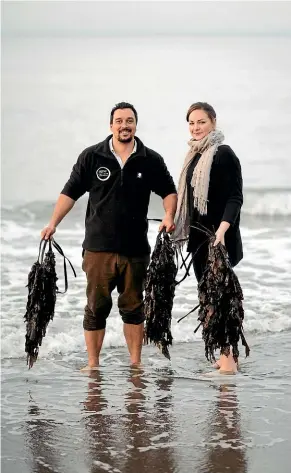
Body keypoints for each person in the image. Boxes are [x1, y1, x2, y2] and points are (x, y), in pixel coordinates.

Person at [41, 102, 177, 370]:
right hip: (98, 248)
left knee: (134, 308)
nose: (124, 125)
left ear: (136, 124)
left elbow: (169, 191)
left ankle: (135, 364)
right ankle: (93, 364)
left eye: (129, 120)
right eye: (119, 120)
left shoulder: (150, 159)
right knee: (96, 308)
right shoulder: (92, 156)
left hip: (136, 249)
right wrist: (52, 223)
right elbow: (70, 192)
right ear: (111, 125)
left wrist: (169, 215)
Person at [173, 102, 243, 374]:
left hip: (219, 240)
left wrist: (223, 230)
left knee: (223, 300)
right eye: (191, 122)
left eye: (201, 122)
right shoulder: (193, 155)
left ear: (213, 121)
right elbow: (188, 201)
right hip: (199, 239)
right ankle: (224, 354)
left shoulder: (224, 154)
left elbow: (235, 197)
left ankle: (229, 360)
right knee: (208, 299)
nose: (196, 127)